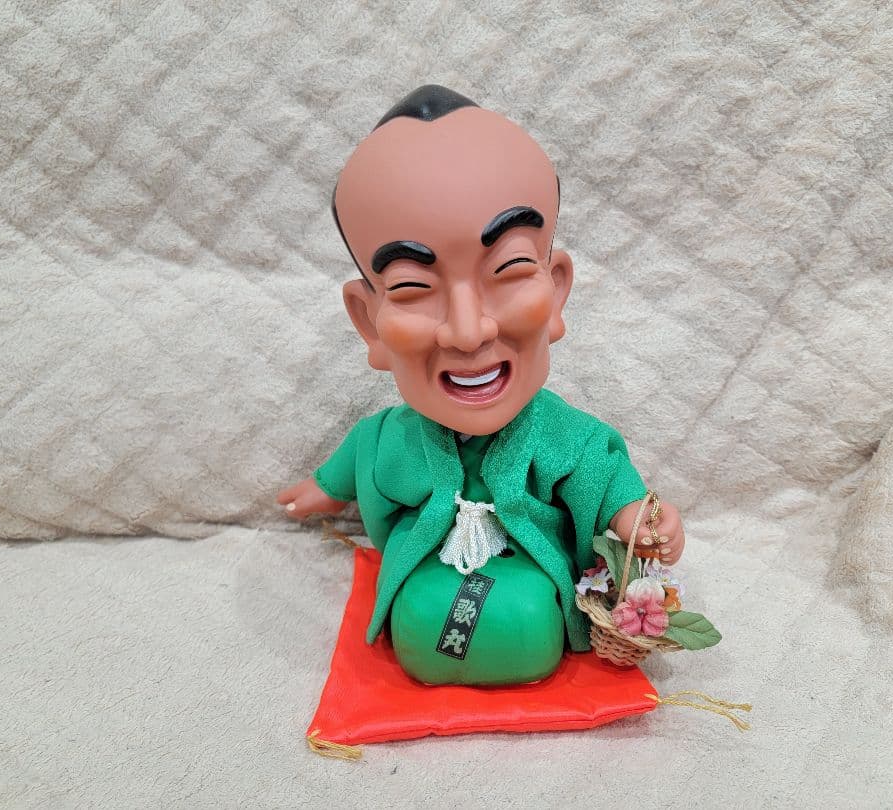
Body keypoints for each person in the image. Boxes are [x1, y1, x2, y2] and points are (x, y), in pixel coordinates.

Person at [277, 85, 684, 685]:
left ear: (556, 292)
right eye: (414, 288)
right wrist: (324, 488)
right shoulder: (396, 437)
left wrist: (638, 520)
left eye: (509, 271)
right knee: (425, 612)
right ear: (369, 322)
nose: (469, 333)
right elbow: (361, 452)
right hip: (432, 561)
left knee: (525, 613)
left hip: (529, 568)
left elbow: (601, 476)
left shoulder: (561, 436)